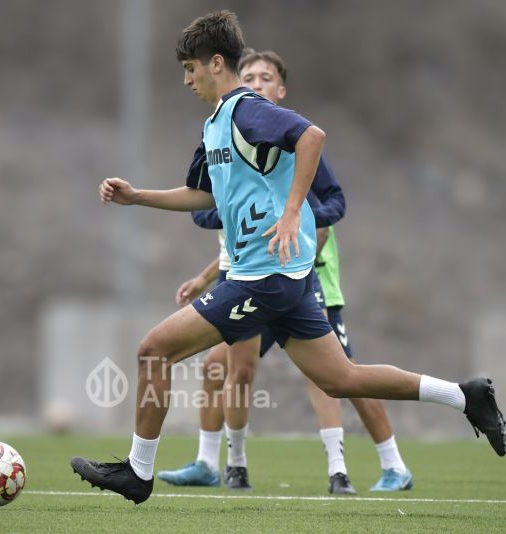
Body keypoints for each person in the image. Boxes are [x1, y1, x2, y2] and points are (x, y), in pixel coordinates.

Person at [70, 10, 506, 505]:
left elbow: (311, 137)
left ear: (216, 63)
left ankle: (138, 473)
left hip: (263, 277)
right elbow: (203, 195)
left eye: (190, 67)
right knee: (341, 379)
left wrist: (294, 209)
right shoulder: (216, 126)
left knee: (154, 350)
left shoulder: (245, 109)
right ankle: (464, 395)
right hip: (282, 278)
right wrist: (137, 197)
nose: (186, 78)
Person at [156, 49, 413, 495]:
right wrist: (210, 264)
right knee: (224, 367)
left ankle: (367, 467)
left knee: (340, 377)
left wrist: (302, 215)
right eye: (249, 76)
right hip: (257, 276)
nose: (255, 84)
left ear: (281, 90)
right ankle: (219, 462)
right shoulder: (234, 138)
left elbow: (334, 201)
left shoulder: (294, 143)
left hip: (308, 282)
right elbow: (208, 205)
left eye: (265, 78)